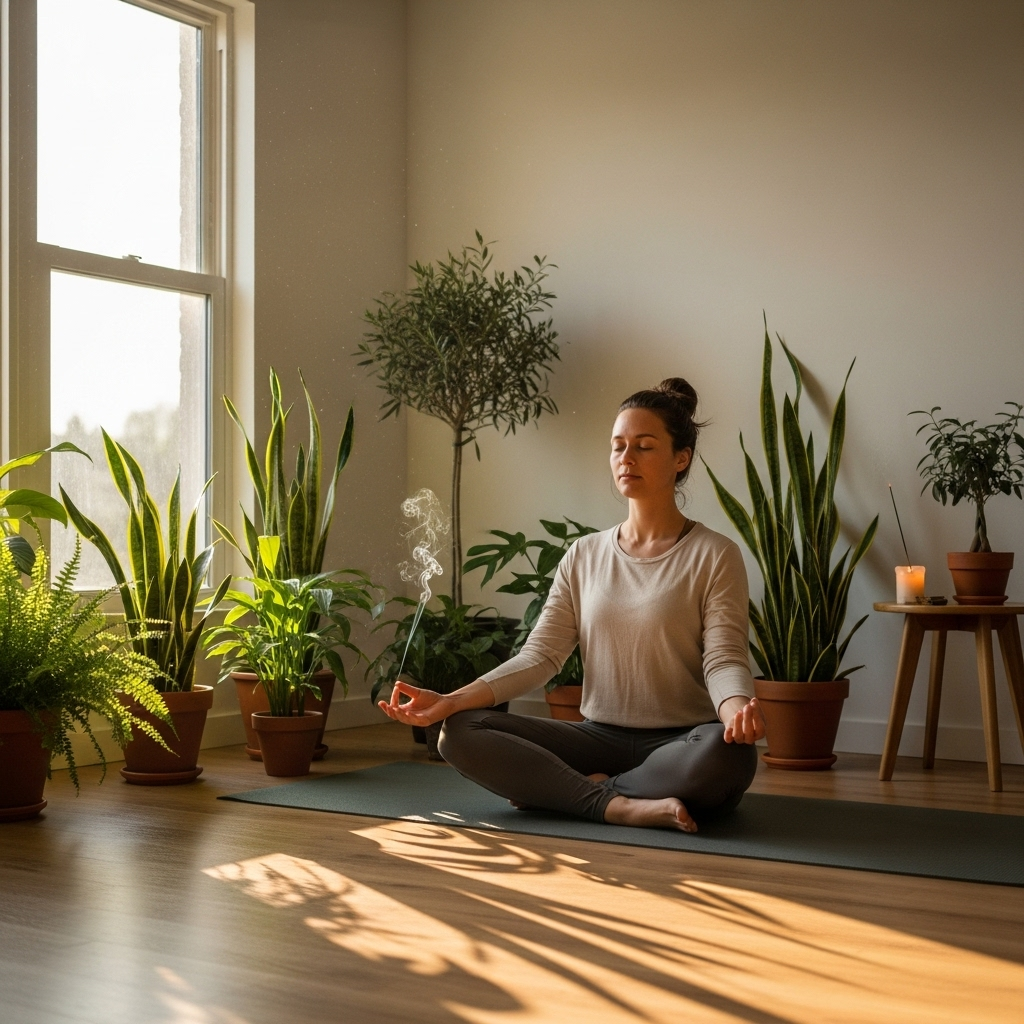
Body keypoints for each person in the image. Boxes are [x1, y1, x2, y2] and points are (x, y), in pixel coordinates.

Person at [378, 378, 766, 833]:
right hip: (595, 736)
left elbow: (723, 658)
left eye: (644, 446)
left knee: (728, 754)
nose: (626, 458)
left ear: (680, 459)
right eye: (618, 446)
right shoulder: (583, 555)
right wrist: (450, 700)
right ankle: (616, 804)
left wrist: (736, 711)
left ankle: (575, 791)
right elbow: (541, 657)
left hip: (682, 740)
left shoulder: (715, 553)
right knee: (459, 731)